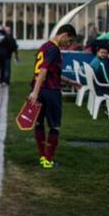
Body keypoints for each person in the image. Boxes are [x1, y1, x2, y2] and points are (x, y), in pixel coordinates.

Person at [28, 24, 78, 169]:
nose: (68, 44)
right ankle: (48, 160)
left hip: (39, 88)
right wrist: (35, 93)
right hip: (50, 91)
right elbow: (43, 71)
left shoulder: (44, 46)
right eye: (69, 41)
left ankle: (43, 157)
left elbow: (50, 72)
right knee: (54, 126)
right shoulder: (54, 49)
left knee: (39, 123)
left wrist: (70, 81)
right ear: (64, 35)